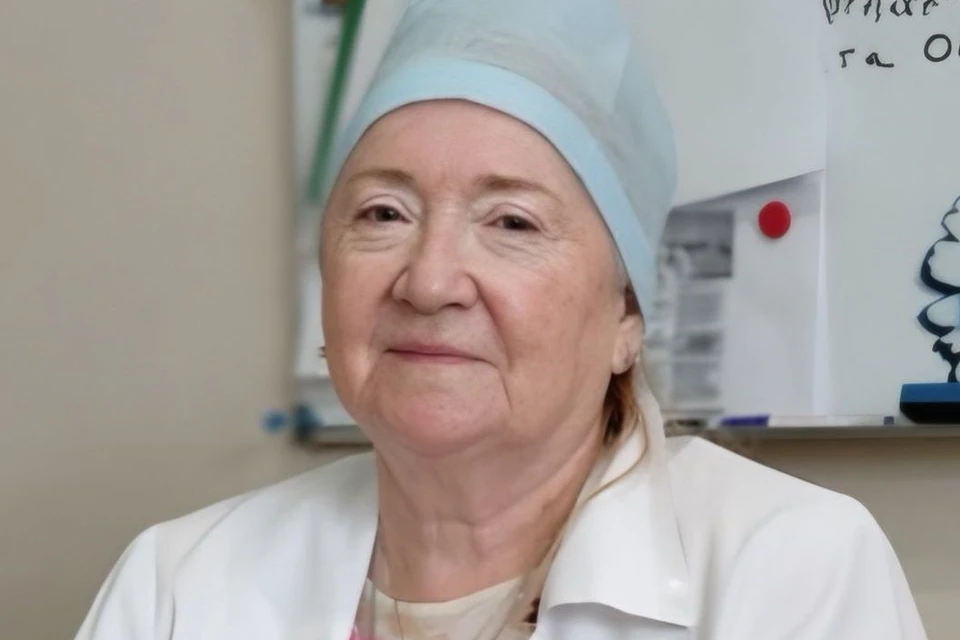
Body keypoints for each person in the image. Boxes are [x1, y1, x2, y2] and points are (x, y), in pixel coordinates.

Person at [75, 0, 928, 638]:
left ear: (627, 314)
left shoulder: (788, 567)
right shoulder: (178, 583)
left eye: (512, 223)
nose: (429, 281)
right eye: (382, 213)